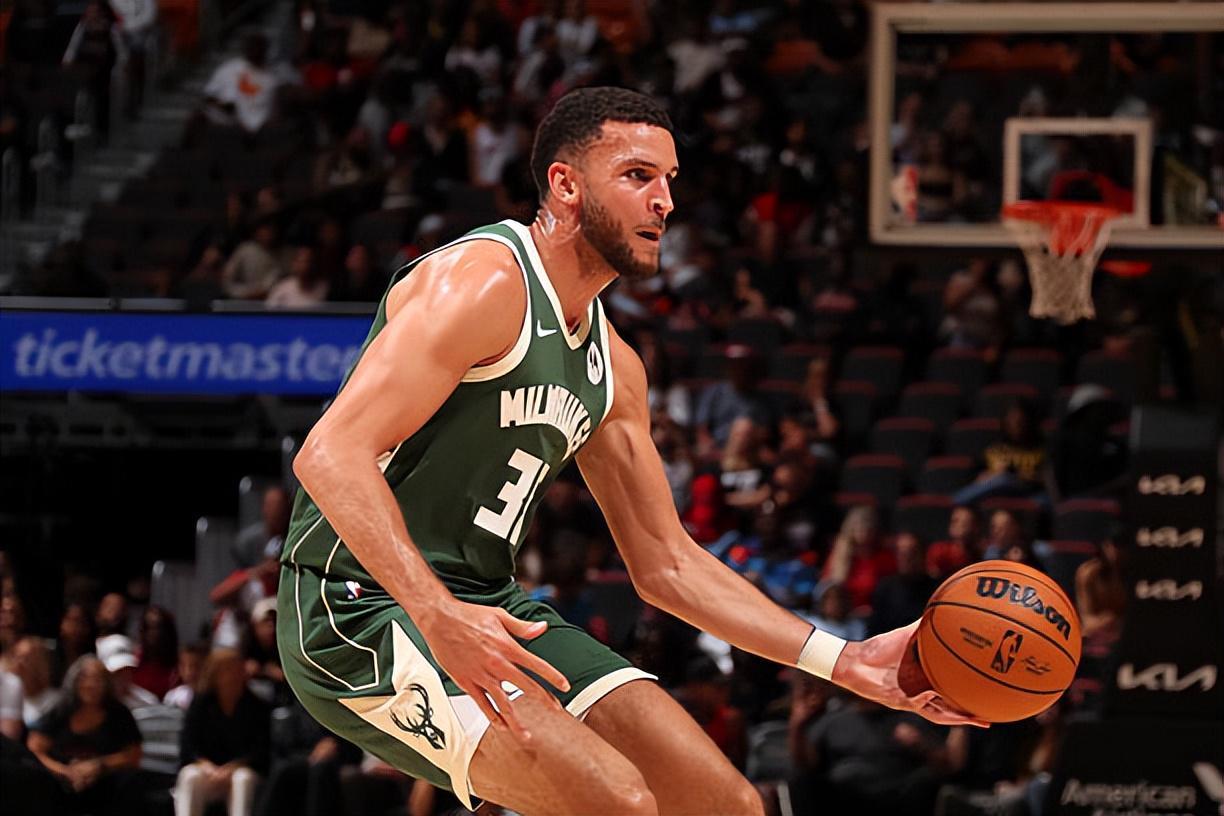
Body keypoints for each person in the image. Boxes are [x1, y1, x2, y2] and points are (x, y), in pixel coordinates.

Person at [276, 87, 983, 816]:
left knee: (727, 807)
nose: (665, 202)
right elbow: (328, 454)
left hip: (488, 604)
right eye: (638, 176)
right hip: (356, 606)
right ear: (566, 184)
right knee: (619, 802)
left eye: (670, 180)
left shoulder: (614, 366)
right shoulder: (486, 281)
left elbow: (667, 563)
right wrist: (435, 613)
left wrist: (846, 659)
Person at [27, 655, 144, 816]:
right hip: (63, 782)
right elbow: (35, 749)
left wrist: (99, 765)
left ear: (107, 683)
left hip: (106, 783)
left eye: (98, 679)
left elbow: (133, 755)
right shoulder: (61, 710)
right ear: (74, 681)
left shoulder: (119, 714)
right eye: (85, 678)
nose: (91, 684)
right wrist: (65, 772)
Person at [174, 648, 271, 816]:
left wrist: (231, 768)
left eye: (237, 669)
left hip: (240, 771)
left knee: (243, 779)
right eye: (226, 670)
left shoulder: (257, 706)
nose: (233, 675)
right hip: (208, 772)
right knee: (190, 776)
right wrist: (207, 766)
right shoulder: (200, 704)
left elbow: (261, 751)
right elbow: (189, 745)